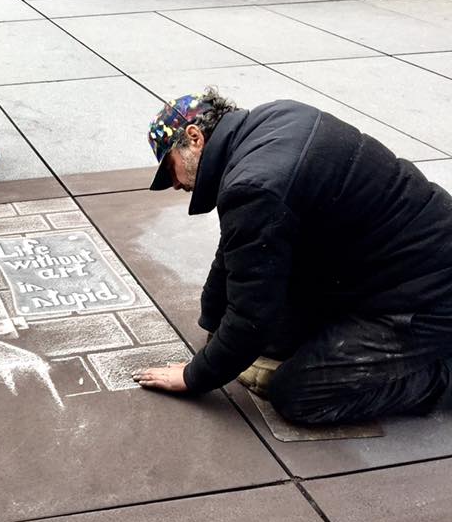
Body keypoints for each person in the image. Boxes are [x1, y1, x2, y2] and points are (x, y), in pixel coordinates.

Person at [132, 89, 452, 425]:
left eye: (171, 169)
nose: (175, 185)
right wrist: (212, 323)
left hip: (427, 297)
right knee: (275, 340)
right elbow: (236, 251)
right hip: (394, 265)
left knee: (299, 393)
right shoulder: (273, 120)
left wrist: (193, 377)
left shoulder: (254, 185)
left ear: (194, 138)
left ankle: (441, 376)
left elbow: (251, 318)